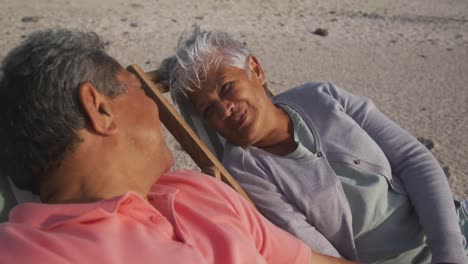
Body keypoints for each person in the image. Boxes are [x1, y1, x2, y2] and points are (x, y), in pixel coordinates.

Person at [0, 29, 357, 264]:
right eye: (139, 90)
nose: (156, 106)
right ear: (99, 108)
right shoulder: (28, 252)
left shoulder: (197, 193)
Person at [163, 28, 468, 264]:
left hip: (451, 230)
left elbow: (414, 161)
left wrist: (450, 253)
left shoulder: (322, 97)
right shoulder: (246, 171)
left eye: (227, 88)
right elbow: (320, 256)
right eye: (208, 110)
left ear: (255, 69)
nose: (225, 109)